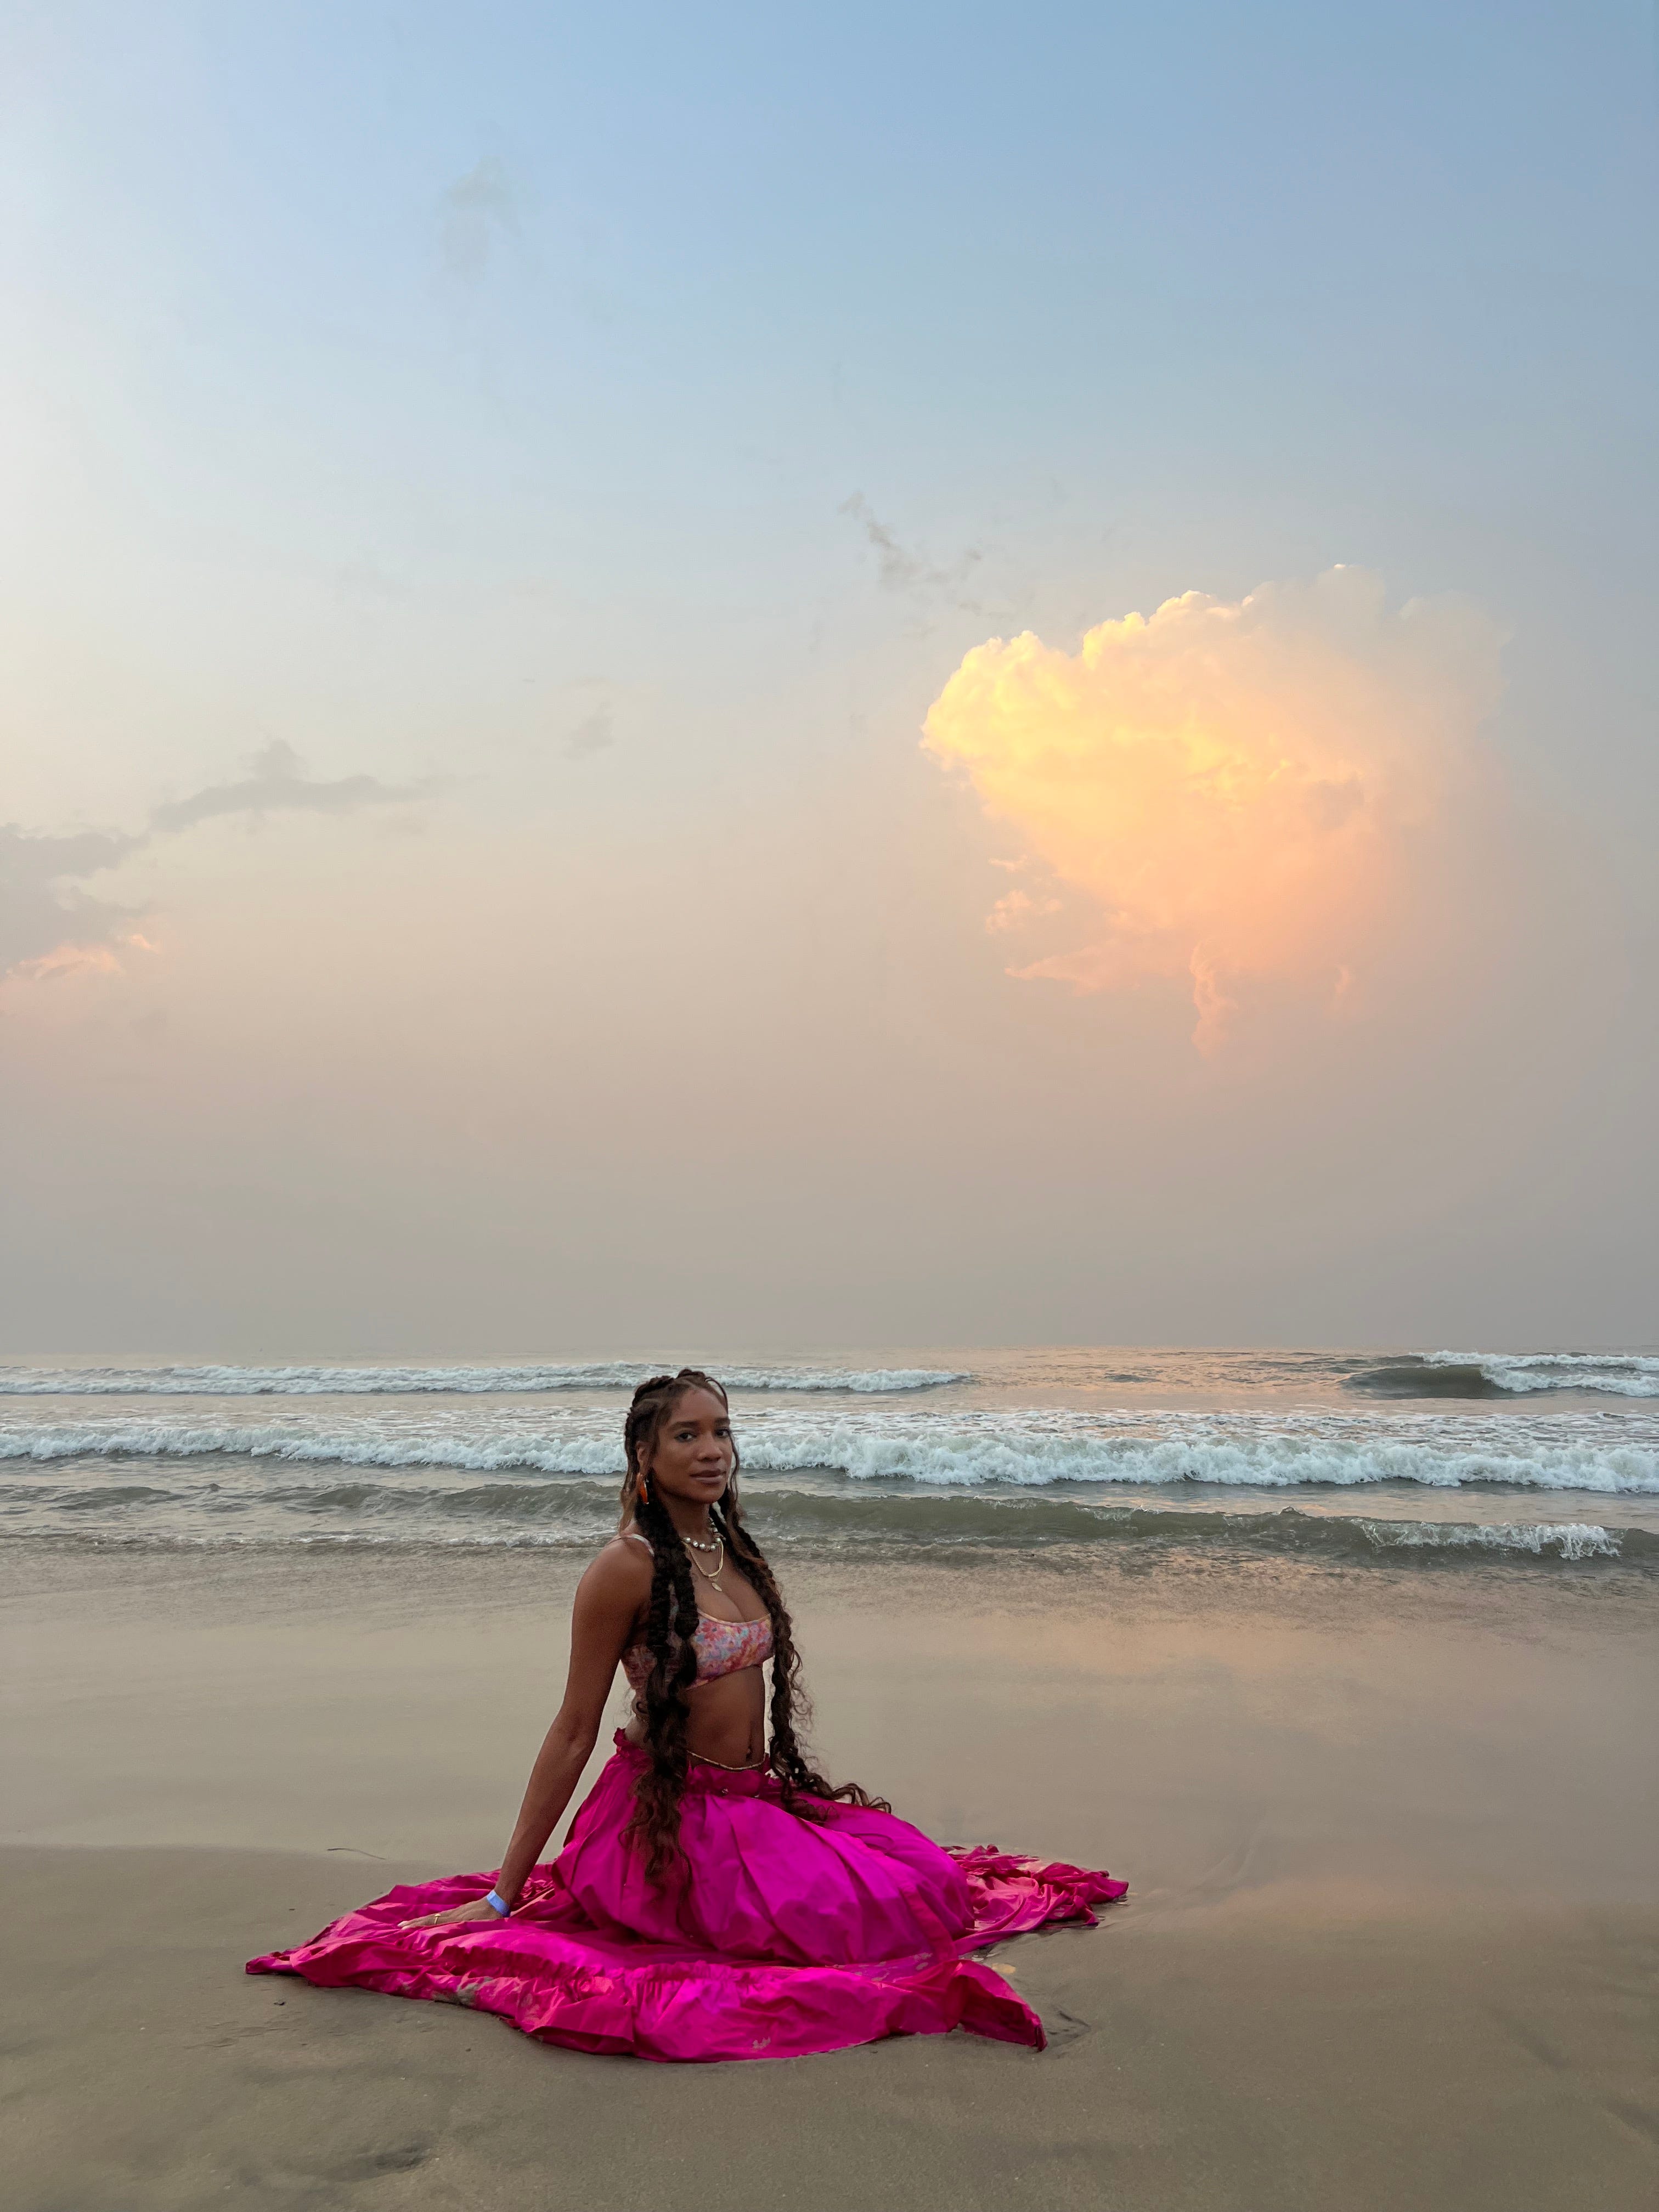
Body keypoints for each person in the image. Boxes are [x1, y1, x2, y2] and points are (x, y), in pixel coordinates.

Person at [248, 1369, 1125, 2061]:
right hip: (671, 1821)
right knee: (840, 1929)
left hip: (755, 1804)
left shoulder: (729, 1544)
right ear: (645, 1455)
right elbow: (573, 1730)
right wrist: (502, 1894)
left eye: (722, 1431)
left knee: (924, 1880)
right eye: (687, 1435)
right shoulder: (623, 1568)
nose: (713, 1451)